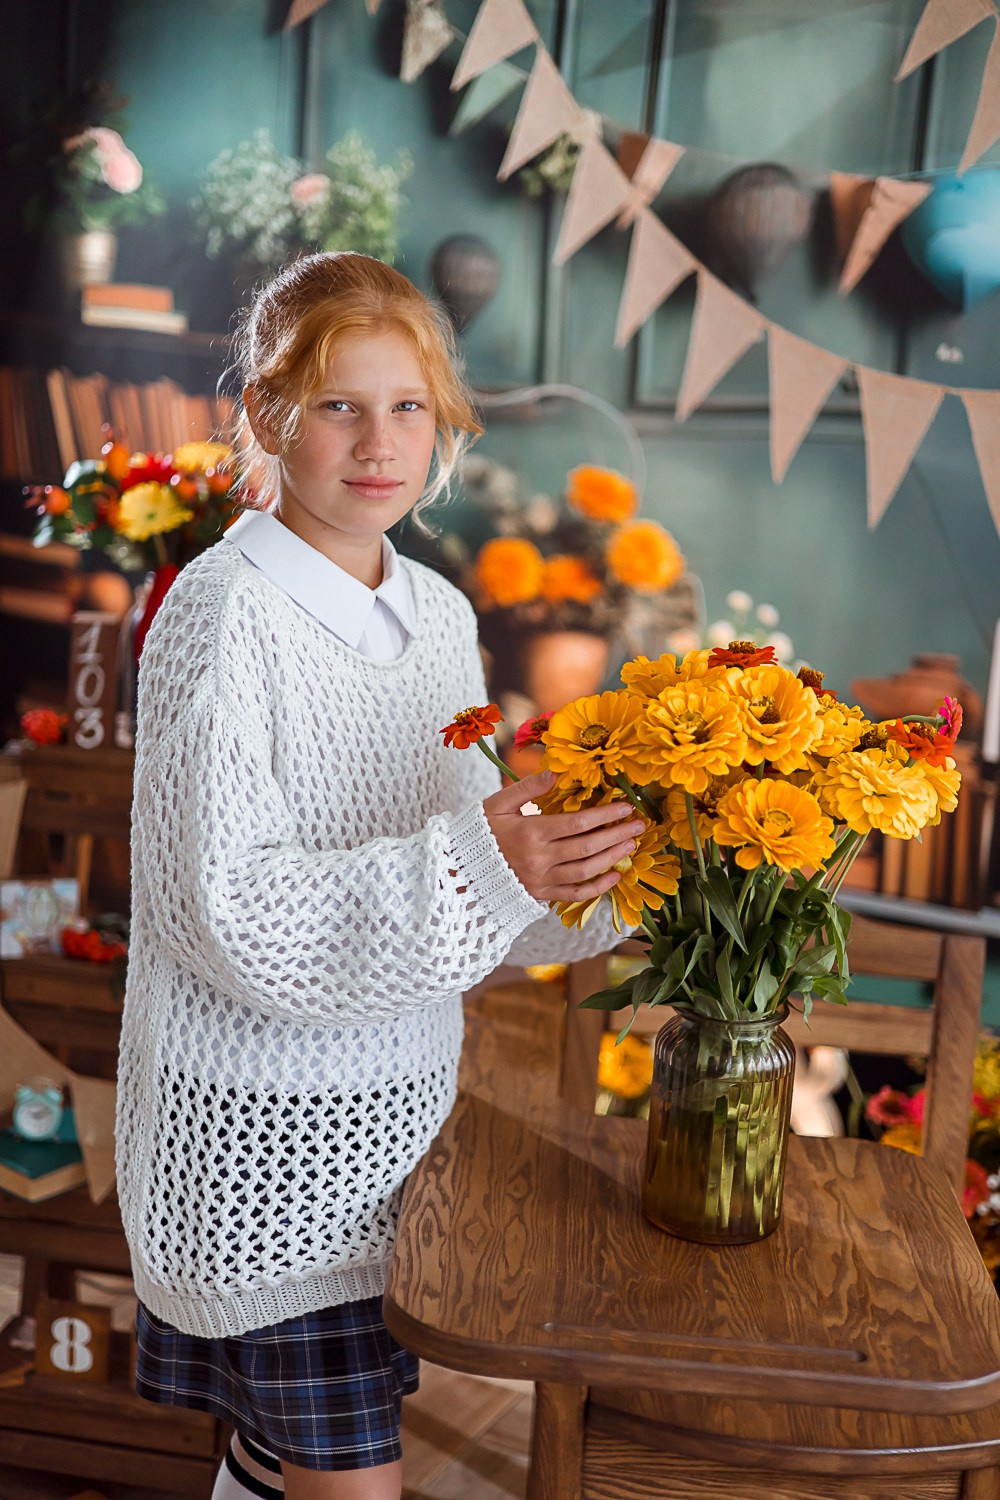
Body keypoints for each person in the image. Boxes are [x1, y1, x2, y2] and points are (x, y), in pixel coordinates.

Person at [116, 251, 644, 1500]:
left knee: (277, 1458)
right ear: (265, 417)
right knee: (353, 1483)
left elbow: (471, 905)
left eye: (408, 406)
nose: (379, 442)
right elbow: (230, 914)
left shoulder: (440, 616)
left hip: (400, 1131)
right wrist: (484, 860)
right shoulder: (223, 615)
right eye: (339, 406)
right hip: (264, 1148)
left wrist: (606, 869)